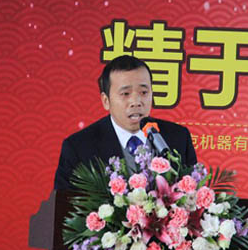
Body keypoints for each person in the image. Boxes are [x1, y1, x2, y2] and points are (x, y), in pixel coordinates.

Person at [54, 54, 197, 190]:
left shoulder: (178, 138)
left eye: (143, 92)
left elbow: (192, 196)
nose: (136, 102)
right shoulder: (79, 148)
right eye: (125, 94)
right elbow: (64, 205)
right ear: (106, 101)